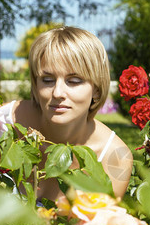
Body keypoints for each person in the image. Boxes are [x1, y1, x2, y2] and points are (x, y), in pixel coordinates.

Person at [10, 26, 132, 200]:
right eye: (47, 80)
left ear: (96, 90)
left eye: (74, 81)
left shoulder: (116, 158)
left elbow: (99, 224)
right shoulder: (3, 121)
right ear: (36, 85)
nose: (58, 92)